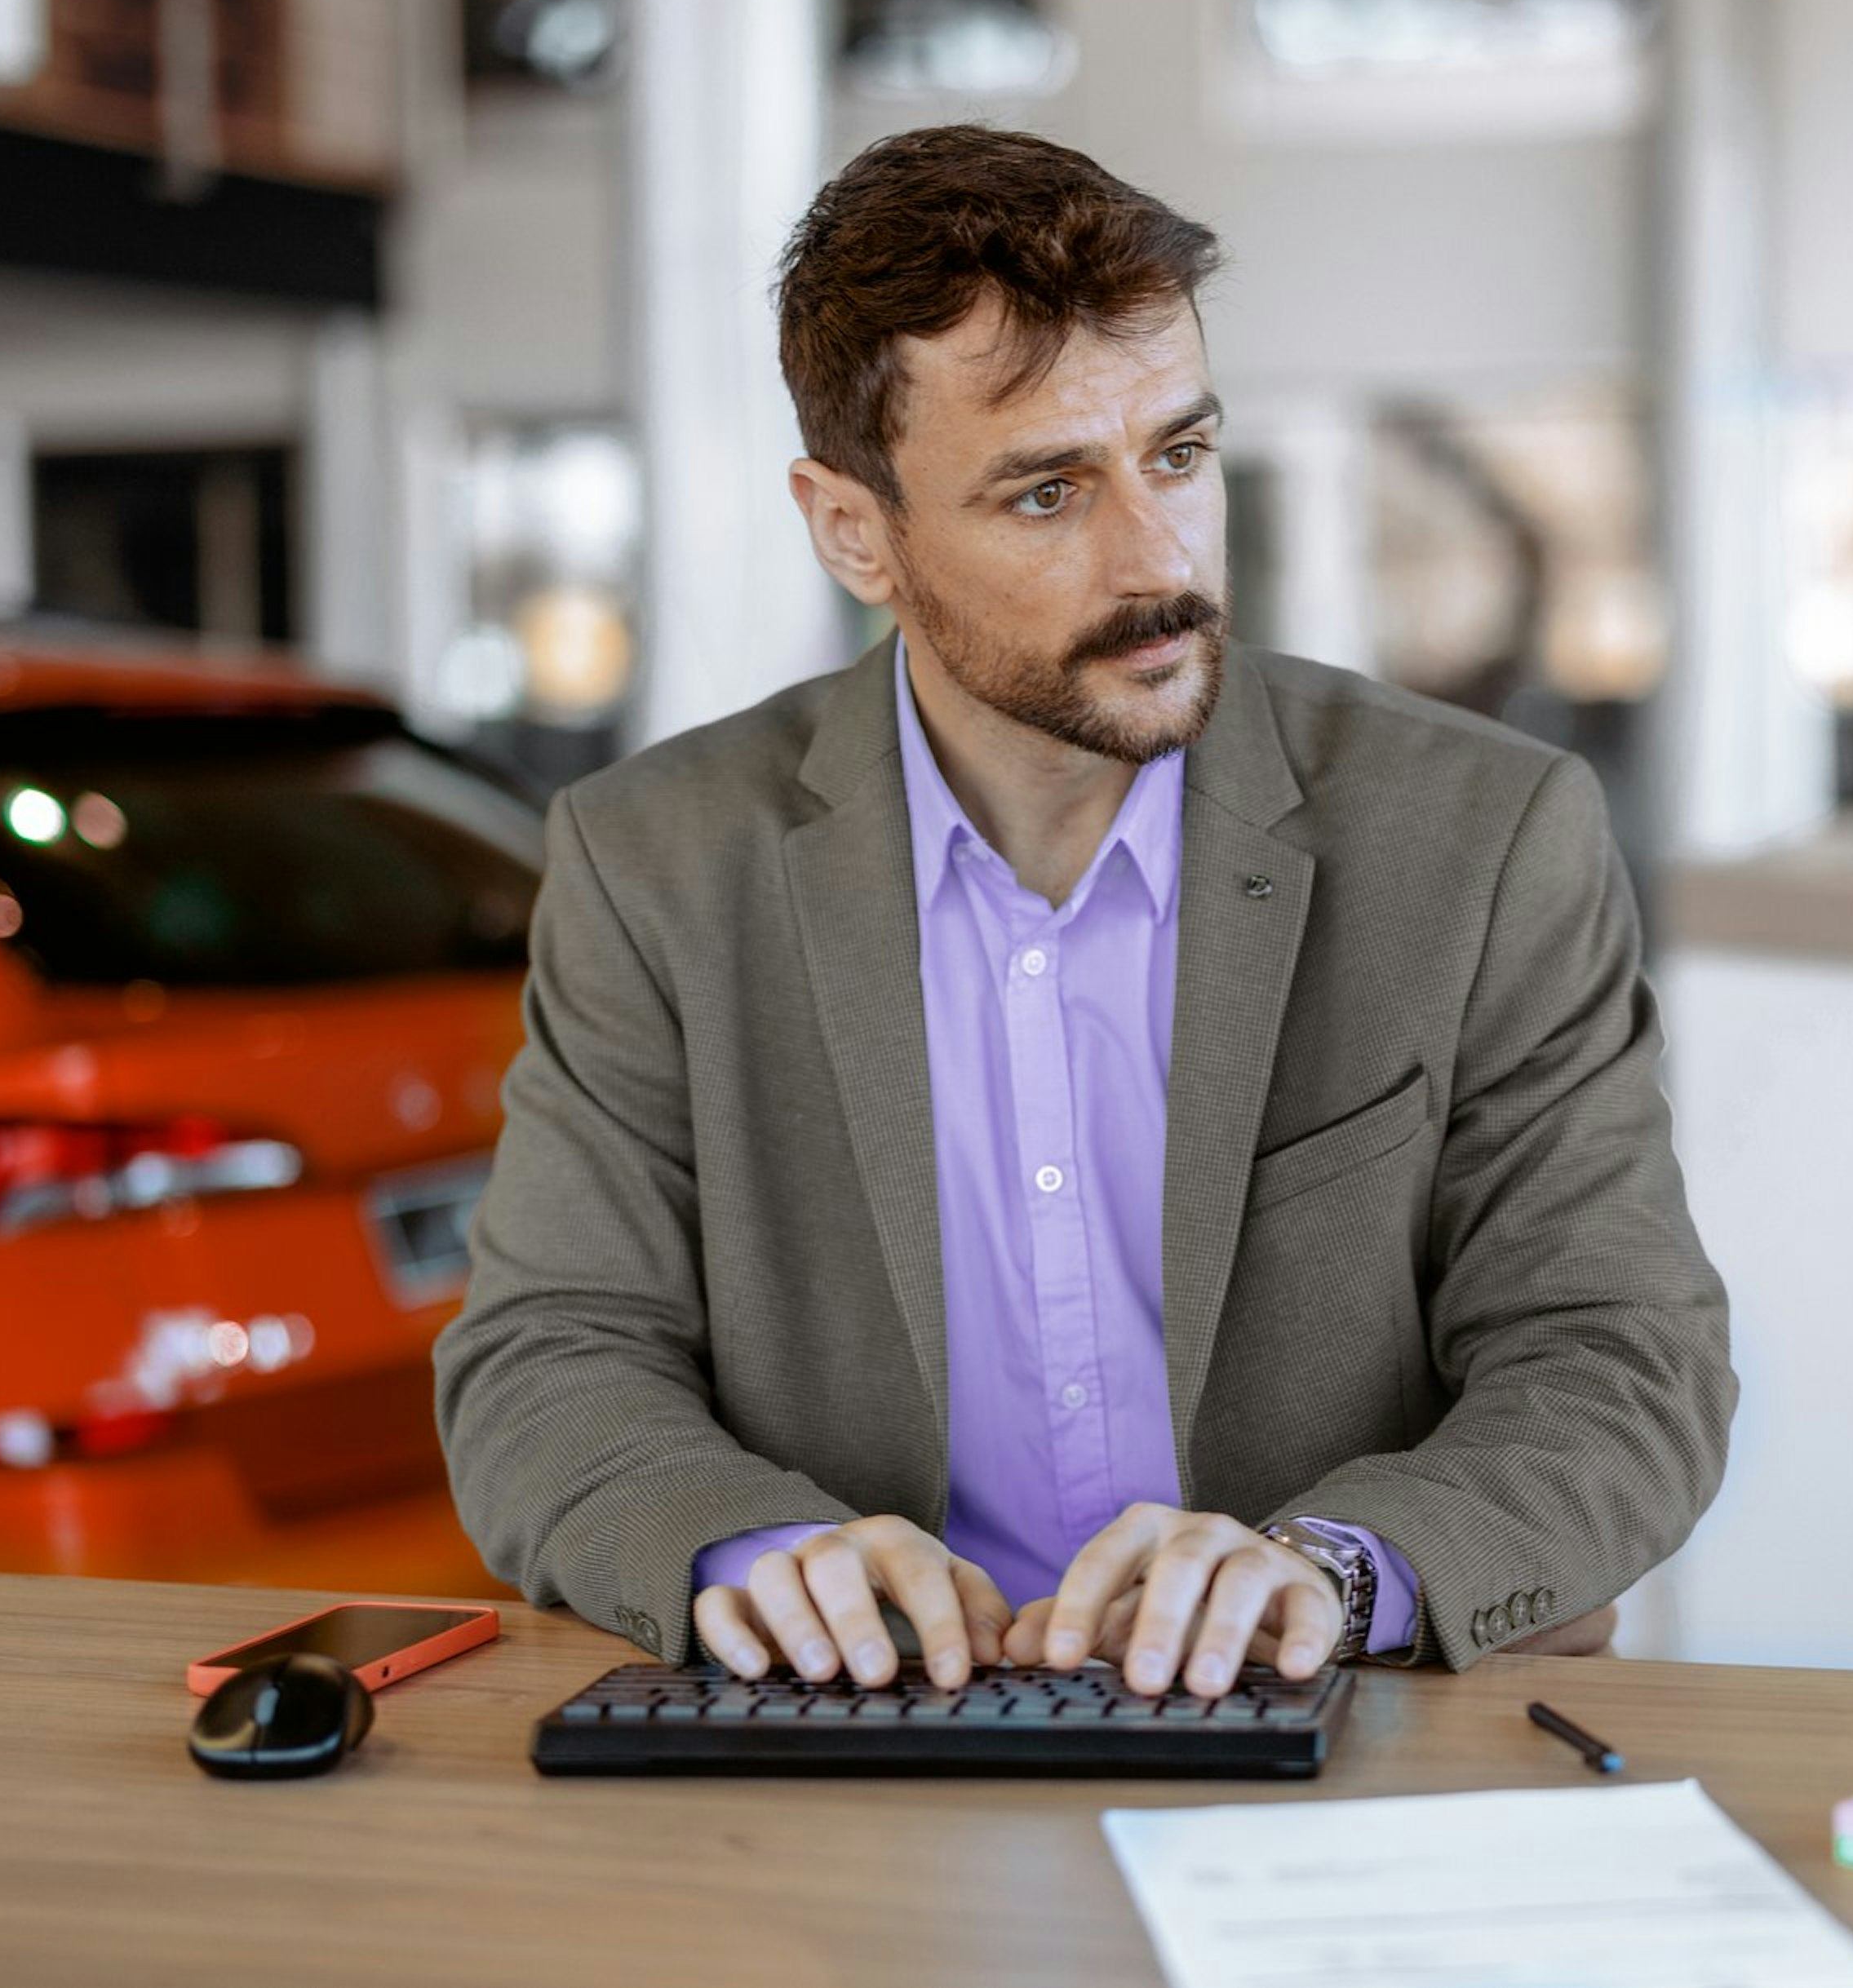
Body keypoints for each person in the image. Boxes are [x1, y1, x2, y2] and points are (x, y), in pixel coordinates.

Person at [433, 126, 1734, 1698]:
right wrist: (756, 1557)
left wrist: (1338, 1571)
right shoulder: (656, 861)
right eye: (1049, 492)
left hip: (1330, 1743)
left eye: (1179, 456)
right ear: (857, 531)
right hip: (858, 1753)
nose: (1159, 559)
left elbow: (1619, 1353)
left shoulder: (1480, 837)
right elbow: (549, 1353)